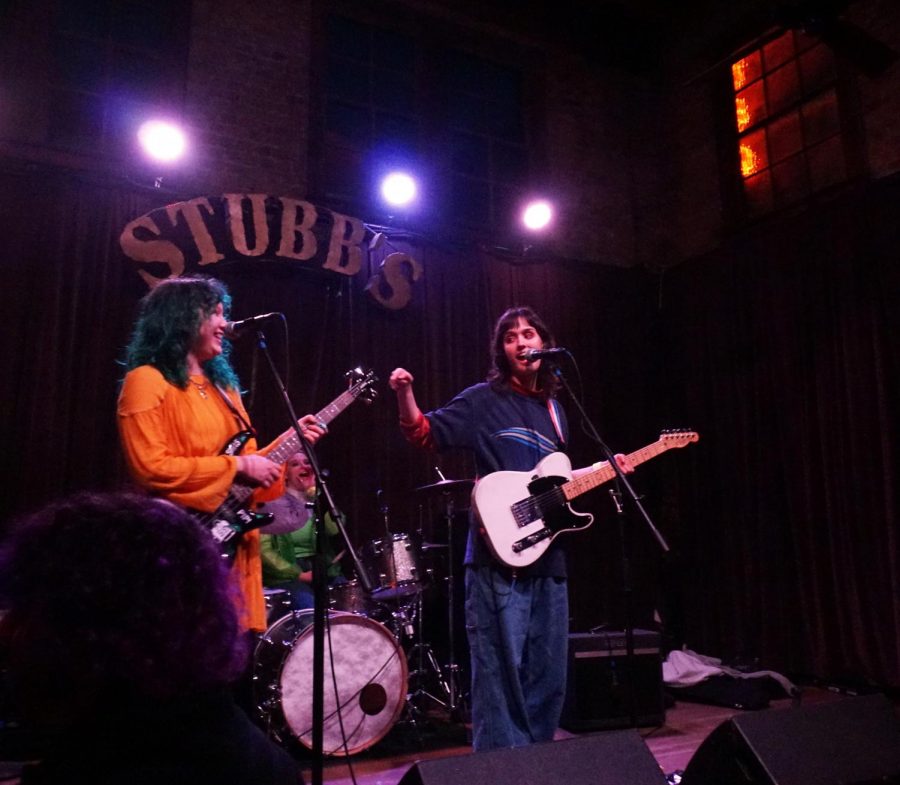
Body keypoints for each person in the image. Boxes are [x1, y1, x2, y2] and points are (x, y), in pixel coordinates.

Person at [389, 306, 632, 752]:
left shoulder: (557, 410)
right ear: (501, 351)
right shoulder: (484, 400)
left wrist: (604, 470)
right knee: (499, 677)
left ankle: (534, 766)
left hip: (549, 560)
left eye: (529, 333)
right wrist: (405, 393)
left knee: (548, 675)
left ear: (544, 342)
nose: (522, 342)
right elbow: (424, 433)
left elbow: (554, 481)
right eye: (510, 337)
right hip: (496, 560)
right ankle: (501, 772)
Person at [0, 492, 302, 784]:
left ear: (84, 628)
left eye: (25, 608)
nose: (8, 629)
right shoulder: (248, 754)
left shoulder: (105, 766)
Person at [117, 275, 325, 632]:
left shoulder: (225, 389)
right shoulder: (146, 381)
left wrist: (288, 444)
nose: (224, 323)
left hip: (234, 549)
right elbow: (150, 467)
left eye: (223, 313)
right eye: (214, 313)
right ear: (182, 317)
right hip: (176, 545)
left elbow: (248, 477)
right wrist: (240, 464)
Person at [258, 451, 346, 611]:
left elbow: (334, 530)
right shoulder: (272, 503)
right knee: (309, 612)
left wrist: (317, 495)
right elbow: (263, 551)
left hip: (324, 569)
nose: (304, 466)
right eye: (295, 464)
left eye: (307, 462)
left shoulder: (319, 497)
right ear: (285, 474)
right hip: (289, 574)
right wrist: (298, 574)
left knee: (349, 609)